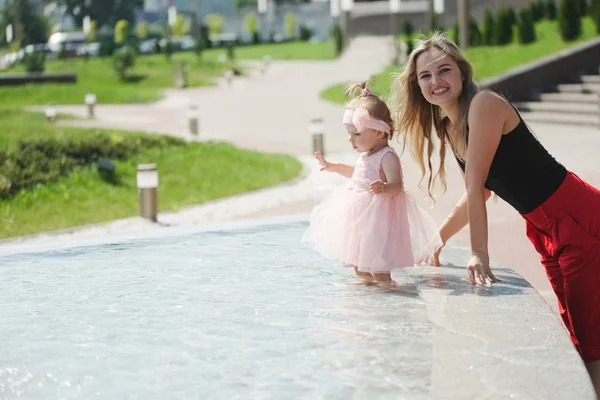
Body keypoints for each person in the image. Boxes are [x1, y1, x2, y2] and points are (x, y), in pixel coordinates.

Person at [391, 31, 600, 395]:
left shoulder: (484, 104)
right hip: (543, 228)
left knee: (591, 343)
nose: (436, 81)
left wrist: (478, 252)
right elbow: (482, 191)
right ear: (417, 85)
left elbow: (474, 188)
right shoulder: (448, 126)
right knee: (575, 333)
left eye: (444, 70)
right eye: (425, 75)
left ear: (461, 72)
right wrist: (438, 238)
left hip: (578, 216)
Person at [301, 82, 442, 288]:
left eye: (356, 134)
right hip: (360, 215)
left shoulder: (387, 156)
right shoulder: (367, 154)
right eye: (350, 134)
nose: (351, 139)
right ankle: (367, 293)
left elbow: (397, 186)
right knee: (360, 262)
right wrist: (333, 167)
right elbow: (357, 174)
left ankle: (386, 289)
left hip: (377, 218)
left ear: (378, 132)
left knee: (378, 263)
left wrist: (385, 188)